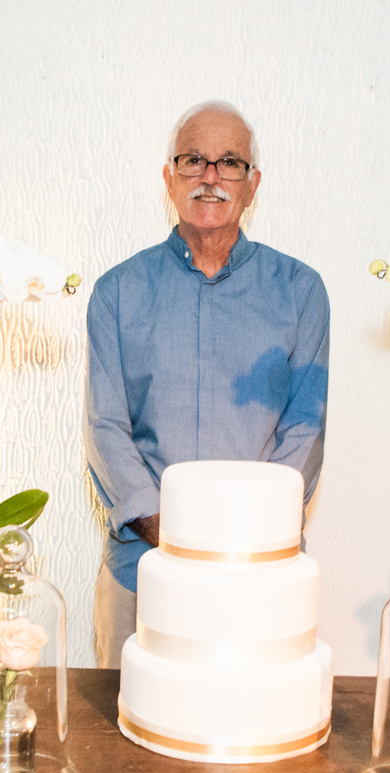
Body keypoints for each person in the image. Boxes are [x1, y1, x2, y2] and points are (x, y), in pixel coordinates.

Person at [83, 100, 330, 668]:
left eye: (230, 163)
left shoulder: (301, 292)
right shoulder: (116, 294)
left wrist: (241, 537)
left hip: (260, 574)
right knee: (127, 741)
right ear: (169, 178)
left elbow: (305, 433)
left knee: (257, 739)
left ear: (253, 184)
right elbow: (105, 431)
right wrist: (174, 535)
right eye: (194, 160)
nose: (211, 177)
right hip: (141, 571)